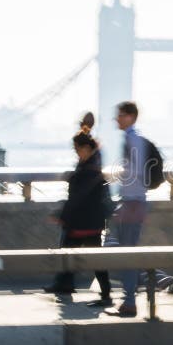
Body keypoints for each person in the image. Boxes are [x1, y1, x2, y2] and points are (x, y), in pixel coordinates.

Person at [104, 101, 173, 317]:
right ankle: (138, 291)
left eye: (120, 115)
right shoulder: (132, 139)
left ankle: (130, 301)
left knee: (127, 254)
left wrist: (124, 191)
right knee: (122, 250)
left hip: (133, 202)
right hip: (132, 201)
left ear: (131, 116)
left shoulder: (133, 140)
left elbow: (136, 172)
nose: (116, 119)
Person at [43, 116, 112, 306]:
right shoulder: (90, 166)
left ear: (86, 149)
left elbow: (76, 197)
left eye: (78, 149)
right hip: (91, 223)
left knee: (72, 254)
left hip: (83, 223)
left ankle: (98, 292)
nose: (76, 153)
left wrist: (62, 216)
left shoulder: (87, 170)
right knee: (88, 258)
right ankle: (102, 293)